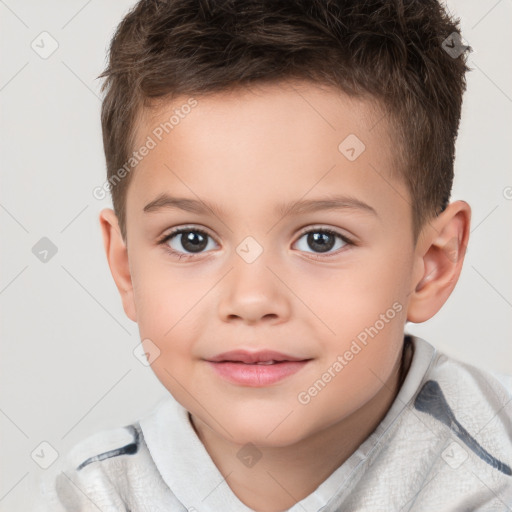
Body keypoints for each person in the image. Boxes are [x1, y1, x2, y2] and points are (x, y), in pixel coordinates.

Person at [33, 0, 512, 510]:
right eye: (191, 239)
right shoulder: (90, 496)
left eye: (321, 239)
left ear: (431, 266)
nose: (252, 299)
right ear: (127, 268)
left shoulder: (493, 473)